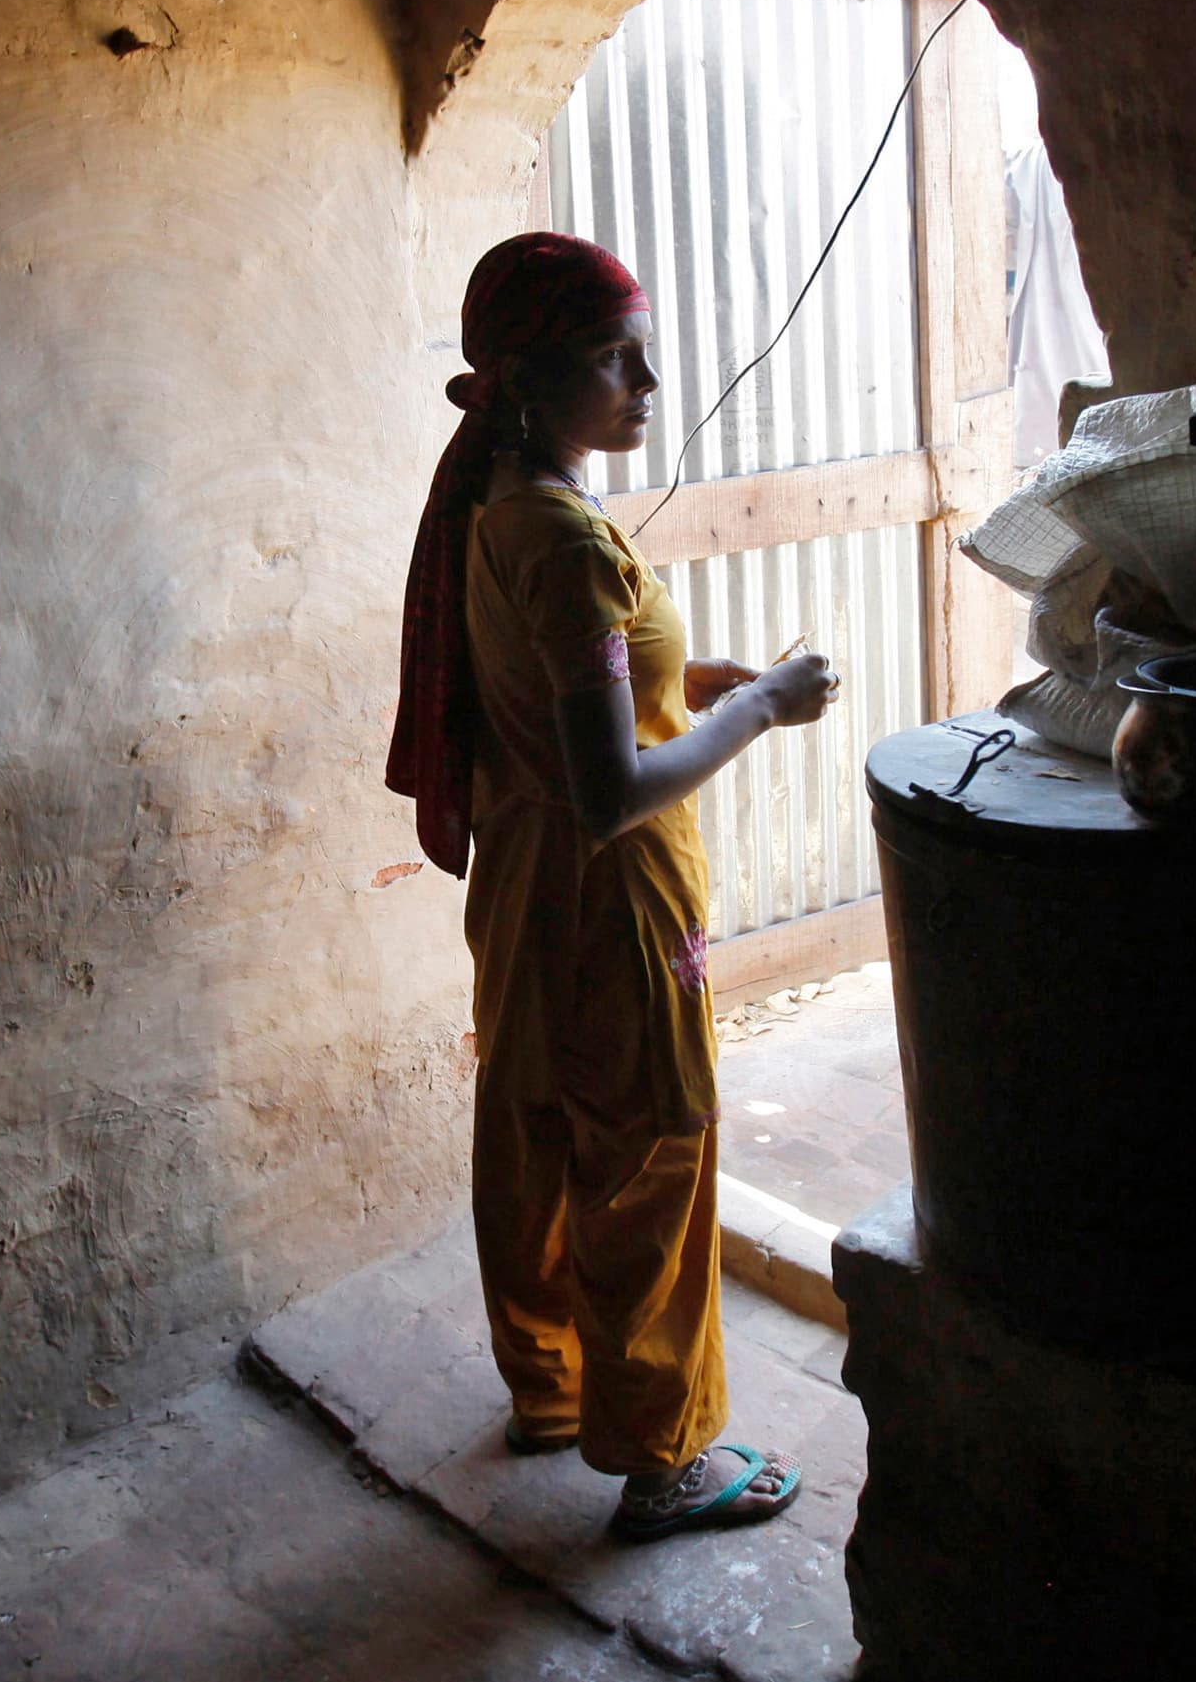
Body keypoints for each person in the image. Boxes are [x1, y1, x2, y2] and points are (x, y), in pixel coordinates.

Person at [388, 231, 842, 1542]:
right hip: (608, 895)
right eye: (613, 359)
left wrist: (684, 685)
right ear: (533, 381)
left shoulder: (491, 511)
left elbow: (562, 697)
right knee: (649, 1148)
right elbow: (615, 789)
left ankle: (549, 1386)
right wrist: (760, 704)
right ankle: (663, 1458)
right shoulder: (568, 542)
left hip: (526, 886)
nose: (646, 382)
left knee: (533, 1123)